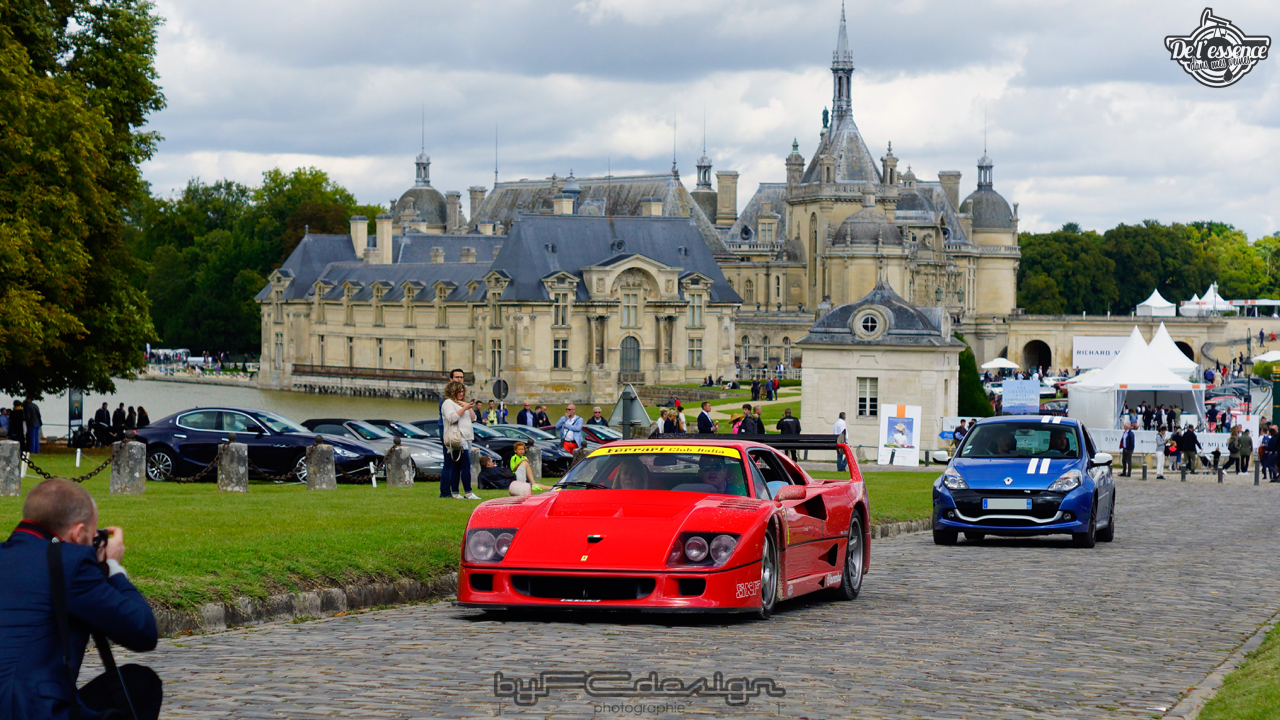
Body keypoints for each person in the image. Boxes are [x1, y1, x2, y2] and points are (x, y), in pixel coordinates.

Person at [0, 478, 162, 720]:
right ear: (78, 534)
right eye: (90, 536)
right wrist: (112, 567)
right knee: (143, 684)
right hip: (31, 711)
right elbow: (143, 631)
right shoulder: (70, 563)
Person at [440, 379, 481, 500]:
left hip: (466, 437)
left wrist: (468, 407)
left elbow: (473, 418)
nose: (461, 394)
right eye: (459, 392)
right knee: (465, 465)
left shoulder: (461, 403)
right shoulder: (448, 403)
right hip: (458, 437)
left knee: (457, 466)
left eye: (462, 392)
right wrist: (464, 408)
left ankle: (456, 493)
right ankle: (468, 492)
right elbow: (452, 418)